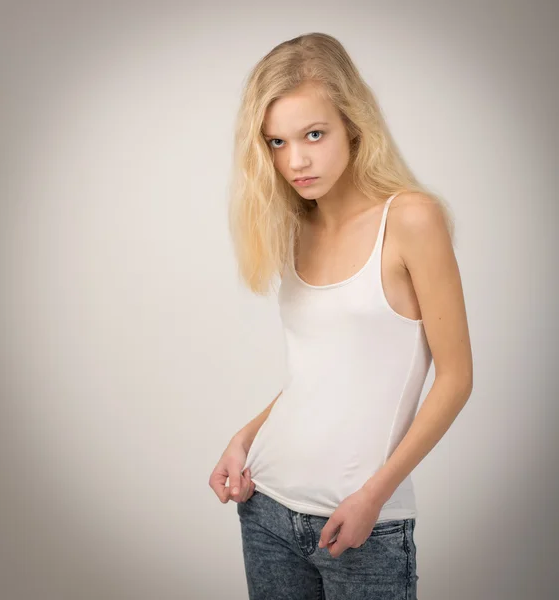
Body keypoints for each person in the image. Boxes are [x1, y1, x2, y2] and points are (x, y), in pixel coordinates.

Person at [209, 32, 473, 600]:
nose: (295, 160)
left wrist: (374, 497)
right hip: (265, 507)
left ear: (353, 123)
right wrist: (243, 438)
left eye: (314, 134)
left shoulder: (411, 219)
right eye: (276, 142)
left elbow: (455, 379)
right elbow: (317, 378)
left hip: (360, 524)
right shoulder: (297, 228)